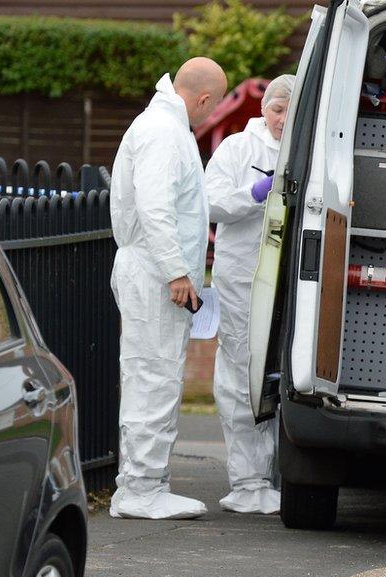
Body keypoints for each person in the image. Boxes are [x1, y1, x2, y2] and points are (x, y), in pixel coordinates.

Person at [109, 57, 227, 520]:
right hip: (155, 273)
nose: (210, 112)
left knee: (155, 376)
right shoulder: (162, 132)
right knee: (152, 378)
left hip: (154, 269)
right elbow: (155, 207)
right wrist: (178, 272)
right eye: (213, 105)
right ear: (202, 98)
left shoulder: (163, 127)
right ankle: (139, 488)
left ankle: (146, 482)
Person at [204, 74, 296, 514]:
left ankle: (274, 475)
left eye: (291, 111)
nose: (282, 118)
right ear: (264, 108)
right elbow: (212, 203)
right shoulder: (239, 149)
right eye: (277, 109)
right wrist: (256, 193)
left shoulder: (306, 151)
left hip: (289, 279)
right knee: (242, 369)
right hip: (242, 276)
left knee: (283, 373)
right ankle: (247, 480)